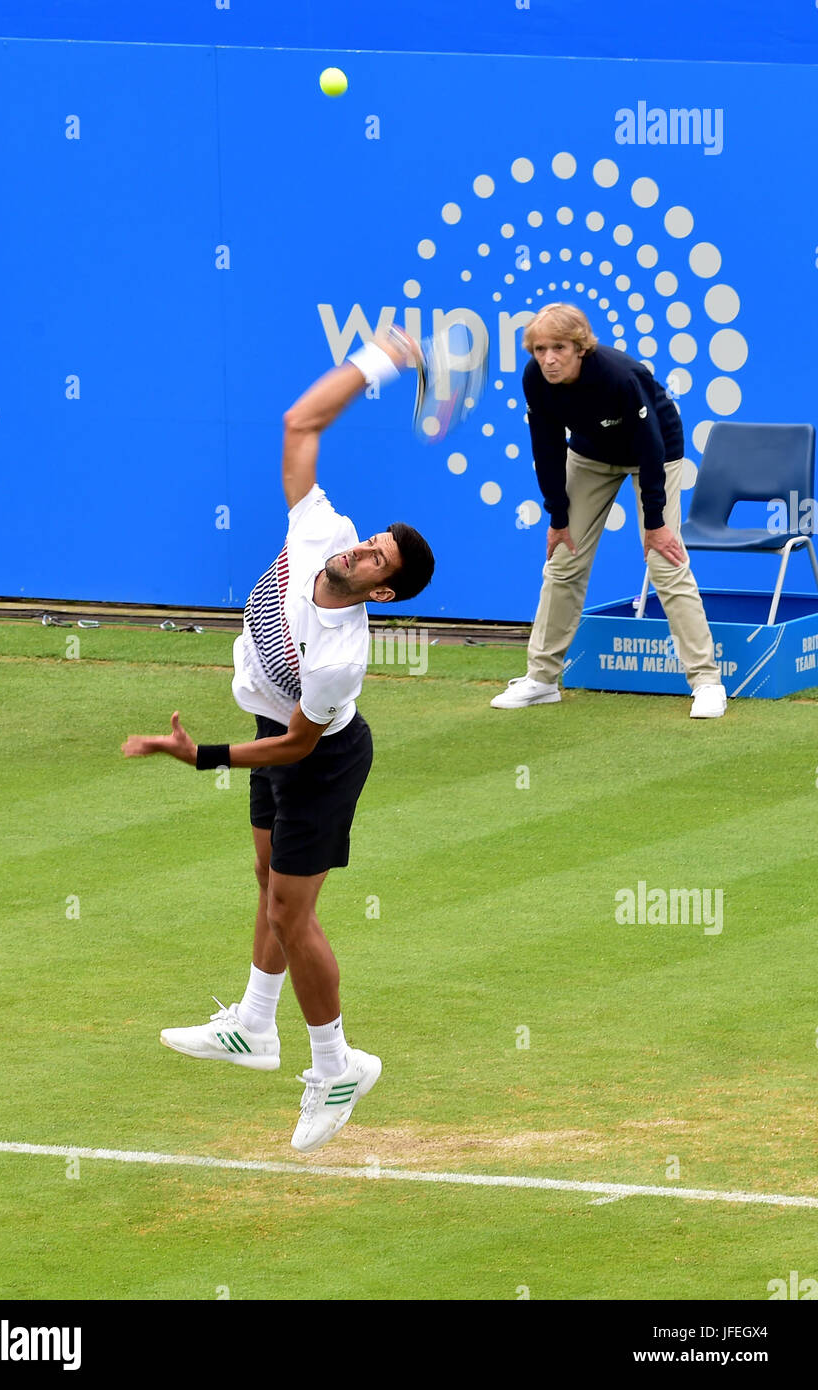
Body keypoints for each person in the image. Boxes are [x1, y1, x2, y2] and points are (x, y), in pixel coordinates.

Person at [121, 326, 434, 1154]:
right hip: (273, 727)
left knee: (295, 916)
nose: (364, 551)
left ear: (386, 590)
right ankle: (255, 1027)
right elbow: (301, 424)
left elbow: (298, 748)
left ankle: (337, 1065)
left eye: (379, 560)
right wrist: (377, 363)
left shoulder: (338, 659)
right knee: (265, 877)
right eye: (373, 541)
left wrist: (205, 758)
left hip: (320, 757)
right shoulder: (319, 533)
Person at [491, 302, 726, 719]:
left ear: (581, 346)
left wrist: (655, 523)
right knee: (563, 560)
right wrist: (558, 518)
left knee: (665, 561)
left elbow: (651, 445)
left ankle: (707, 683)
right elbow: (546, 447)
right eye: (540, 349)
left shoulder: (619, 376)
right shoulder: (535, 379)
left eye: (559, 348)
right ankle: (542, 679)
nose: (548, 359)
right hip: (590, 454)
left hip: (655, 453)